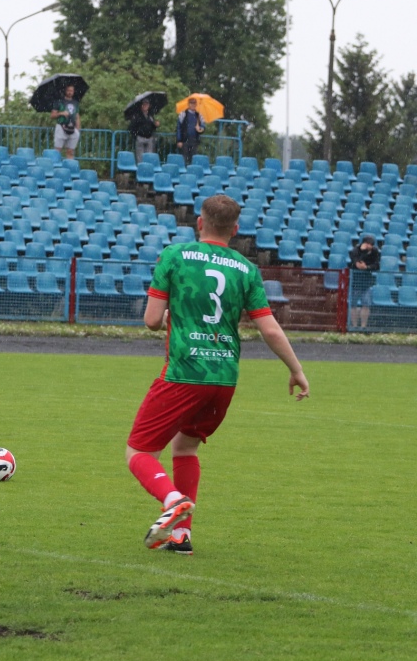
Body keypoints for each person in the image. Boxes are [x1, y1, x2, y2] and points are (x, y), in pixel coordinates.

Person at [126, 195, 309, 555]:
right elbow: (269, 330)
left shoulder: (174, 257)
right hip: (224, 379)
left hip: (184, 372)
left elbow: (150, 320)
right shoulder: (245, 269)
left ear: (199, 222)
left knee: (138, 452)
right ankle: (180, 536)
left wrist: (171, 319)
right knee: (186, 445)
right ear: (235, 230)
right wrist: (296, 369)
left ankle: (172, 500)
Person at [348, 234, 381, 329]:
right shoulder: (355, 251)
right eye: (368, 244)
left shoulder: (374, 252)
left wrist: (367, 267)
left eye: (371, 245)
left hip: (366, 281)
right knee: (353, 304)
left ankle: (363, 327)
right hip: (355, 281)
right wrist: (363, 252)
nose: (370, 247)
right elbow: (357, 264)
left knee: (366, 304)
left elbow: (376, 265)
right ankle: (354, 326)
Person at [50, 84, 81, 160]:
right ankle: (56, 167)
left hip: (72, 128)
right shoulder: (59, 102)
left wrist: (78, 129)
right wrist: (61, 113)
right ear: (65, 91)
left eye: (72, 91)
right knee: (57, 150)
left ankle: (70, 168)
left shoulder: (75, 102)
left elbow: (77, 116)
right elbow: (52, 115)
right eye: (68, 90)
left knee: (70, 151)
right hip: (61, 126)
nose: (70, 92)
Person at [128, 99, 160, 164]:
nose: (145, 106)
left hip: (149, 138)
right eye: (144, 105)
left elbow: (152, 127)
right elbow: (131, 127)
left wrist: (155, 125)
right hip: (140, 138)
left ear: (149, 106)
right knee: (140, 158)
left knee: (149, 158)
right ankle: (140, 172)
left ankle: (147, 171)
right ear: (141, 106)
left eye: (147, 105)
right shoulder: (137, 116)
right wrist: (136, 136)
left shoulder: (150, 116)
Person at [175, 99, 205, 165]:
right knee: (183, 160)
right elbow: (178, 127)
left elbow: (203, 127)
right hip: (184, 141)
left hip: (194, 141)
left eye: (194, 103)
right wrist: (179, 140)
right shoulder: (183, 114)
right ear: (188, 104)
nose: (193, 105)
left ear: (196, 105)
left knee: (193, 161)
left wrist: (199, 129)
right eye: (191, 103)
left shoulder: (199, 116)